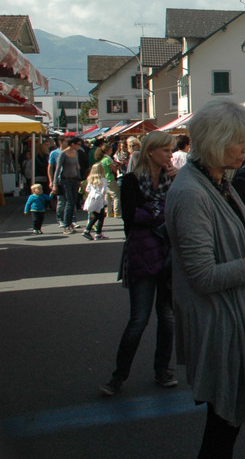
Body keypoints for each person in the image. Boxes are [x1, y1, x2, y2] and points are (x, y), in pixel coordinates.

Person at [164, 100, 245, 457]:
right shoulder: (191, 193)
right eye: (242, 141)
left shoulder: (215, 181)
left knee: (224, 424)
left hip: (226, 317)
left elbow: (237, 240)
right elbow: (203, 275)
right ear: (216, 139)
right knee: (222, 426)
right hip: (216, 321)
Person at [100, 130, 179, 397]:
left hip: (168, 254)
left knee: (167, 317)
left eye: (171, 150)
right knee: (139, 319)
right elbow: (131, 217)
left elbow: (179, 213)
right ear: (150, 152)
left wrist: (176, 187)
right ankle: (119, 375)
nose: (170, 155)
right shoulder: (132, 181)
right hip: (142, 254)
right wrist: (161, 213)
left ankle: (163, 370)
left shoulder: (174, 180)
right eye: (166, 150)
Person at [53, 136, 84, 233]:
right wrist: (54, 183)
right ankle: (66, 225)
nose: (79, 146)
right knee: (69, 201)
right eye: (78, 144)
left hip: (74, 180)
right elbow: (58, 169)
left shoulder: (75, 153)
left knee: (73, 201)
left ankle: (70, 223)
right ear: (72, 144)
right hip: (65, 180)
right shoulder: (63, 154)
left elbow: (76, 167)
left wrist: (79, 180)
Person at [82, 163, 110, 240]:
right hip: (99, 199)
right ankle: (92, 231)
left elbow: (88, 189)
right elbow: (104, 191)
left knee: (98, 216)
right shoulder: (103, 179)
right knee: (100, 216)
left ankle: (95, 231)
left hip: (91, 198)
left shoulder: (90, 179)